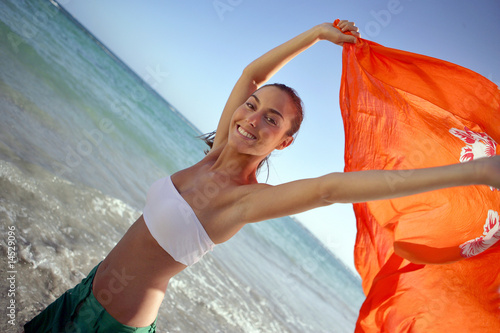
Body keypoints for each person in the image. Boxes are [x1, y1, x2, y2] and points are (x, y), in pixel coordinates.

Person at [24, 20, 500, 332]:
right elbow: (253, 74)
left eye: (272, 120)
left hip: (111, 325)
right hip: (85, 291)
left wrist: (472, 172)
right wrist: (316, 35)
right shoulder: (212, 156)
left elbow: (330, 188)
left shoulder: (242, 202)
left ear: (284, 142)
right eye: (253, 108)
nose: (253, 118)